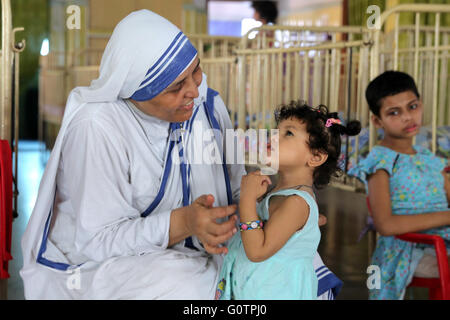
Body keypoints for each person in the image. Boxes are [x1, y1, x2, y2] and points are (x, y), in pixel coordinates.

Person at [20, 10, 245, 300]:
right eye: (177, 86)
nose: (194, 90)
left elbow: (237, 185)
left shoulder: (208, 105)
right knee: (191, 285)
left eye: (196, 71)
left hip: (196, 250)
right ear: (137, 92)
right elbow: (98, 241)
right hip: (98, 262)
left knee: (284, 262)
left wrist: (272, 208)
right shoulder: (97, 127)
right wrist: (184, 223)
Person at [215, 101, 361, 300]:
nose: (273, 137)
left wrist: (248, 201)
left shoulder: (296, 203)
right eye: (276, 130)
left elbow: (257, 251)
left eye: (288, 133)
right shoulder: (282, 195)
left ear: (316, 157)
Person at [348, 71, 450, 300]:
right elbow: (386, 225)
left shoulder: (429, 159)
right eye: (394, 112)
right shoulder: (381, 162)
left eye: (412, 107)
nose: (407, 117)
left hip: (442, 243)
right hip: (407, 251)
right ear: (377, 121)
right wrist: (446, 217)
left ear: (421, 105)